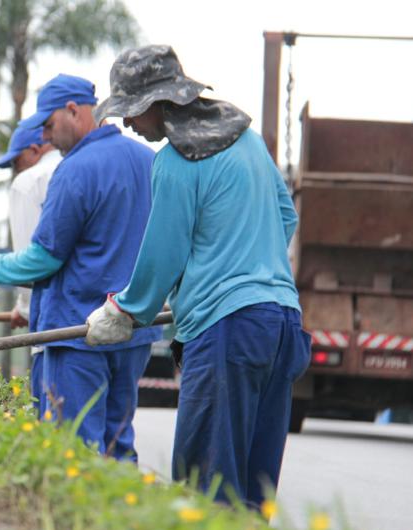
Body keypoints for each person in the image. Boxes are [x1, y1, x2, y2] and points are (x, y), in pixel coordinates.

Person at [86, 45, 311, 506]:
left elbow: (162, 256)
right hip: (281, 324)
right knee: (253, 486)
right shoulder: (248, 141)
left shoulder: (174, 163)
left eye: (131, 112)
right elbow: (285, 217)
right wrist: (241, 257)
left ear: (157, 104)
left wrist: (124, 311)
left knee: (204, 487)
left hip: (226, 331)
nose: (127, 123)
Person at [0, 74, 160, 461]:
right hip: (133, 330)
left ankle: (71, 524)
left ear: (74, 110)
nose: (47, 137)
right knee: (117, 444)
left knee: (71, 451)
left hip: (78, 332)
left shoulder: (75, 170)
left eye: (50, 125)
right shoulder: (149, 161)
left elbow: (43, 257)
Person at [0, 124, 61, 410]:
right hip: (106, 320)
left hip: (53, 326)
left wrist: (23, 308)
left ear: (35, 149)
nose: (15, 171)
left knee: (55, 426)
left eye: (16, 162)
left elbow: (29, 259)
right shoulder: (88, 167)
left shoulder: (29, 182)